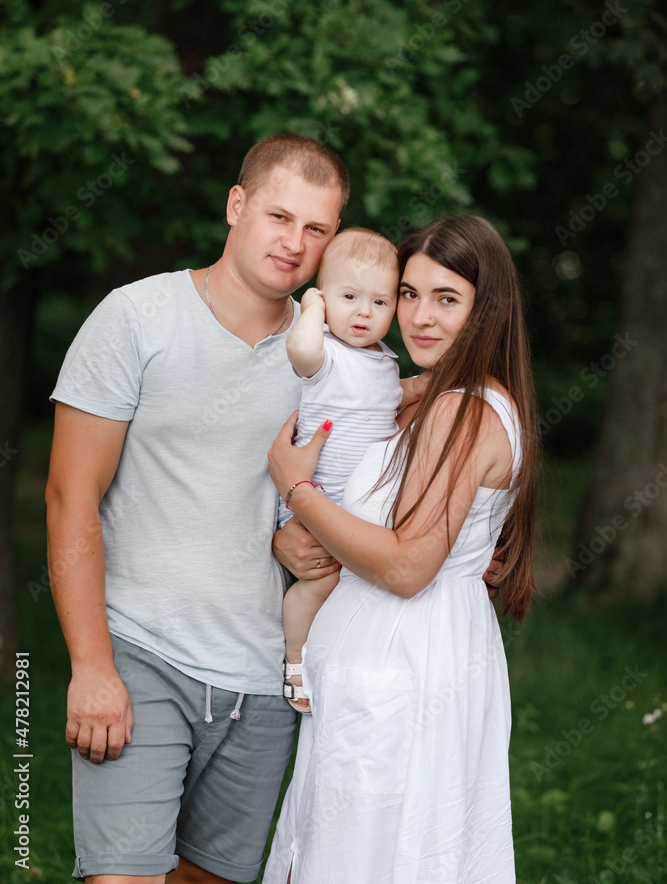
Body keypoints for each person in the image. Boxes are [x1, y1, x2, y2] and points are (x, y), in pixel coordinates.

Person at [45, 133, 346, 884]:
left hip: (262, 677)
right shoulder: (135, 317)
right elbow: (67, 496)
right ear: (235, 205)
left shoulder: (332, 358)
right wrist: (91, 666)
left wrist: (297, 535)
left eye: (316, 229)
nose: (294, 243)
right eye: (280, 217)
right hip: (141, 651)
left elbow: (360, 489)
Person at [265, 214, 538, 884]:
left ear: (486, 311)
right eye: (408, 294)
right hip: (402, 658)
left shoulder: (460, 412)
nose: (417, 317)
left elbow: (408, 565)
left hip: (401, 662)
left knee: (368, 857)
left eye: (446, 299)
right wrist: (291, 533)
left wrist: (295, 488)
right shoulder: (429, 398)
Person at [277, 228, 428, 713]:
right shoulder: (323, 353)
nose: (364, 312)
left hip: (361, 512)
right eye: (348, 297)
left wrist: (426, 385)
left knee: (354, 592)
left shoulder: (384, 362)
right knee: (317, 584)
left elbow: (395, 395)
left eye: (380, 302)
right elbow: (298, 352)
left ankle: (337, 666)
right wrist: (313, 312)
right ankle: (295, 661)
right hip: (315, 502)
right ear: (323, 297)